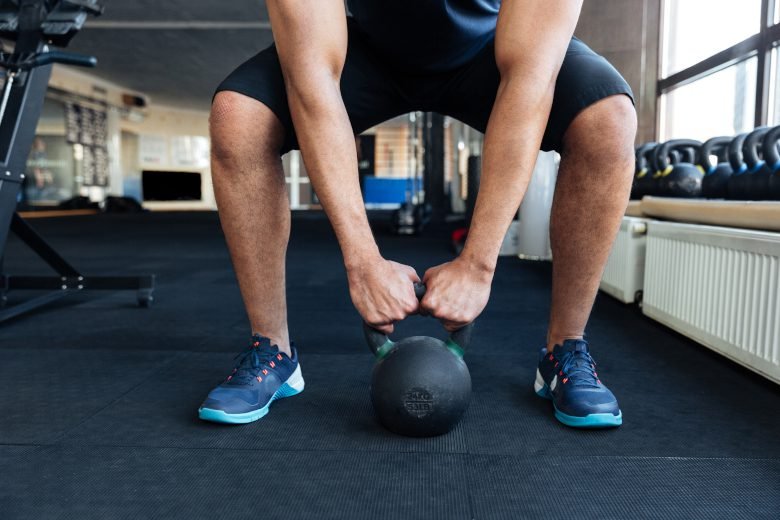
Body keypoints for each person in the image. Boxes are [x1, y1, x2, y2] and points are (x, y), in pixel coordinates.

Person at [198, 0, 637, 428]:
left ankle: (566, 348)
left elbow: (530, 81)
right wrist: (362, 261)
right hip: (365, 49)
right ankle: (272, 348)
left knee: (608, 120)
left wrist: (478, 264)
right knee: (239, 118)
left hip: (496, 47)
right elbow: (311, 79)